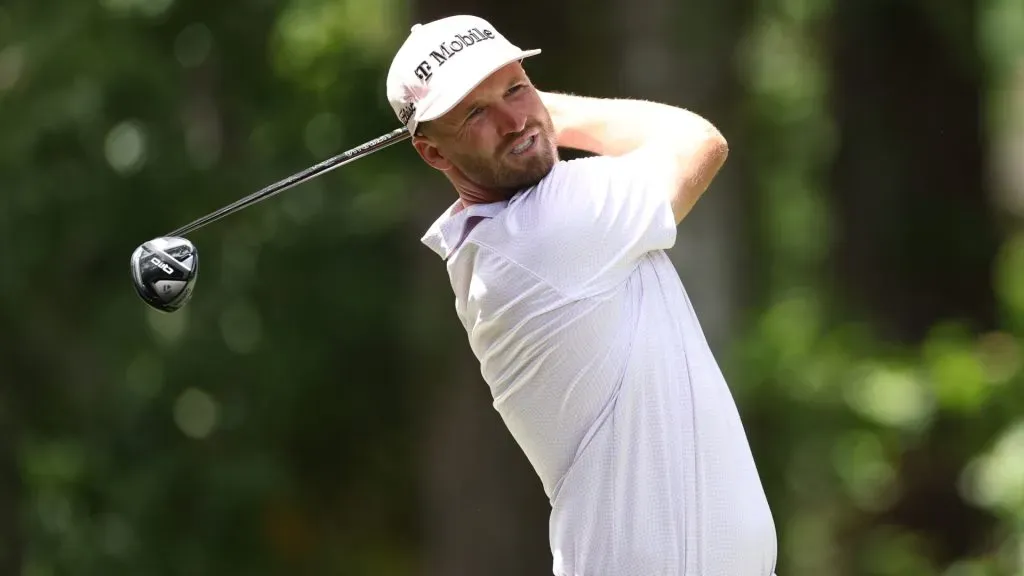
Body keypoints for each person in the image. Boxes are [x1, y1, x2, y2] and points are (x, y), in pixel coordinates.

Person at [386, 14, 778, 576]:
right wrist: (547, 112)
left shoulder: (505, 237)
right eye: (476, 112)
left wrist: (517, 111)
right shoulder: (547, 229)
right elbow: (697, 142)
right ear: (433, 153)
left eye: (516, 88)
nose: (512, 119)